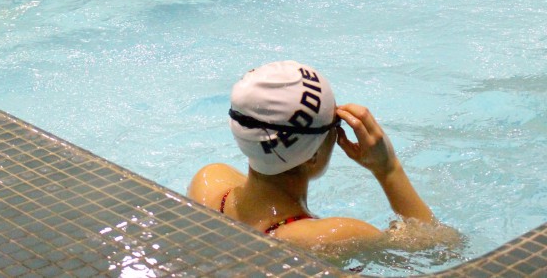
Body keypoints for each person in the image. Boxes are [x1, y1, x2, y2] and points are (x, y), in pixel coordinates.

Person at [187, 61, 439, 252]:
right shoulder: (332, 236)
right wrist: (388, 168)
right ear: (312, 155)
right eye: (335, 125)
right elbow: (440, 248)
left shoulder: (207, 184)